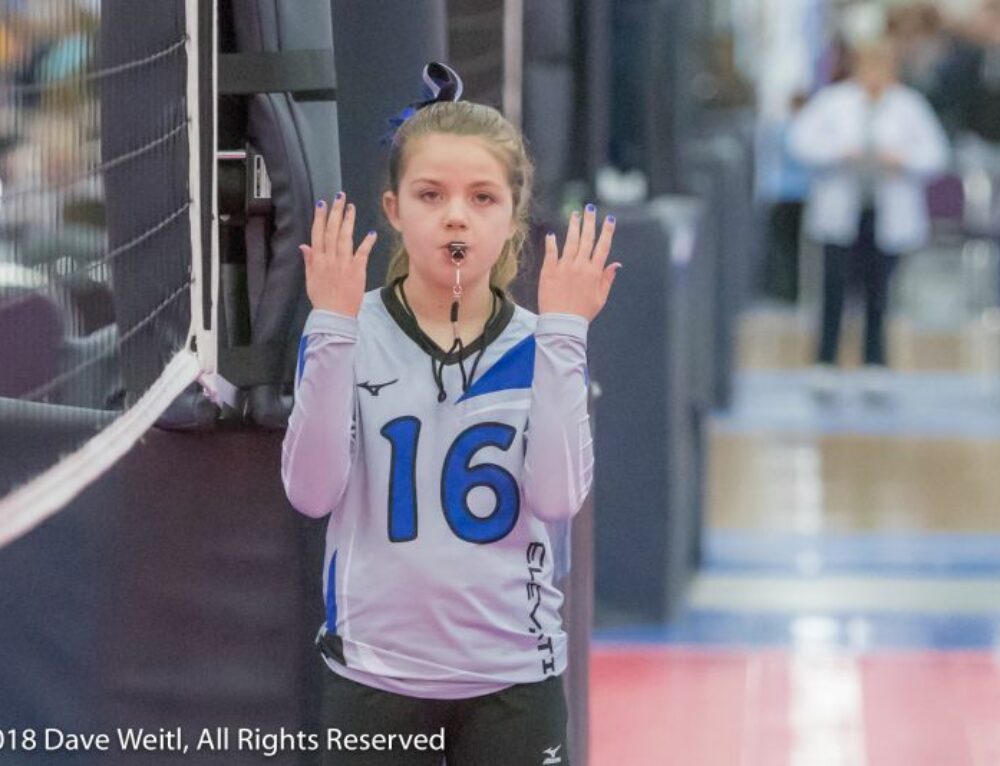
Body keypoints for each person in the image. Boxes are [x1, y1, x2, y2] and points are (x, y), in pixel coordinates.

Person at [281, 62, 620, 765]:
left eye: (482, 197)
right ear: (393, 209)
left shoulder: (543, 342)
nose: (456, 216)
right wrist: (331, 327)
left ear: (514, 214)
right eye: (430, 194)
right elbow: (310, 494)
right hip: (374, 675)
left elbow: (558, 500)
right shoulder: (349, 329)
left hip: (513, 679)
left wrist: (566, 332)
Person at [789, 40, 948, 397]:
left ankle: (874, 362)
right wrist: (837, 152)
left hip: (886, 211)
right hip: (841, 210)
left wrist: (903, 159)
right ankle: (825, 361)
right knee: (834, 290)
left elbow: (936, 154)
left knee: (879, 293)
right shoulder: (834, 101)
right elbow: (800, 142)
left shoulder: (908, 105)